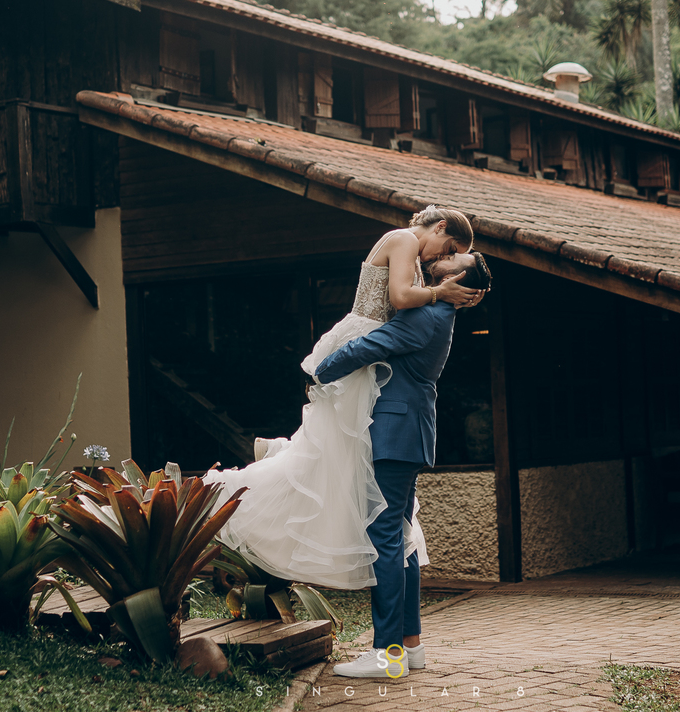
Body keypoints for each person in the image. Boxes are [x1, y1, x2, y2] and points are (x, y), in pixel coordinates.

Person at [203, 206, 482, 591]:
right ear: (438, 226)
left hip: (371, 355)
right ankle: (245, 495)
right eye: (448, 247)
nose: (440, 256)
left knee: (333, 457)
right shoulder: (403, 238)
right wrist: (441, 291)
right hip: (362, 344)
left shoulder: (417, 261)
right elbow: (401, 298)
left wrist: (448, 296)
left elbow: (414, 311)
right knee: (330, 458)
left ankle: (395, 644)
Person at [317, 250, 492, 679]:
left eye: (455, 260)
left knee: (385, 539)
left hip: (394, 436)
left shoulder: (425, 316)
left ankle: (386, 654)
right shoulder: (436, 314)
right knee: (402, 537)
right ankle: (409, 647)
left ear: (459, 281)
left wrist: (320, 370)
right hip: (408, 432)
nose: (443, 260)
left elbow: (368, 347)